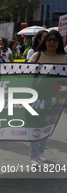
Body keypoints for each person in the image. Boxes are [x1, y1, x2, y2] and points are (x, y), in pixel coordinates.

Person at [28, 30, 67, 166]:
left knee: (48, 124)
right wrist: (33, 68)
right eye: (49, 39)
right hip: (37, 96)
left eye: (54, 40)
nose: (51, 42)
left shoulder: (64, 57)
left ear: (59, 42)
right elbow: (24, 72)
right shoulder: (37, 55)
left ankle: (41, 152)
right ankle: (34, 155)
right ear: (45, 41)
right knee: (36, 124)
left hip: (56, 97)